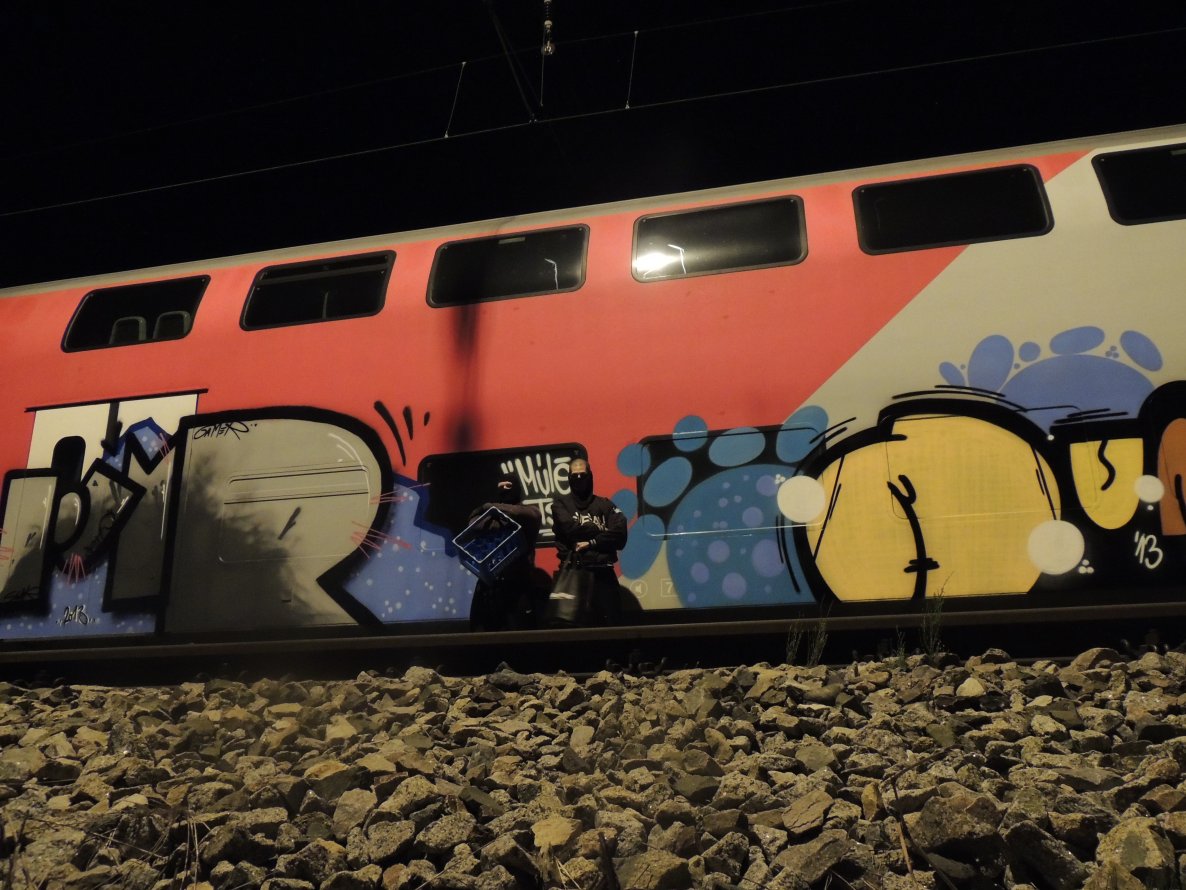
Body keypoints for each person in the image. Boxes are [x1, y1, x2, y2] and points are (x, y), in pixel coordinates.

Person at [551, 458, 628, 624]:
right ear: (569, 478)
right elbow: (569, 530)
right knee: (574, 628)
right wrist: (601, 531)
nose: (579, 479)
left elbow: (620, 535)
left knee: (612, 627)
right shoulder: (559, 505)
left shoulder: (605, 504)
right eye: (575, 476)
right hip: (574, 574)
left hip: (604, 575)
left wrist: (592, 542)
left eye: (583, 475)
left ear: (590, 476)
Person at [467, 472, 543, 631]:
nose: (504, 489)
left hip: (518, 582)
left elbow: (527, 514)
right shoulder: (492, 517)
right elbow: (473, 523)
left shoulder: (529, 512)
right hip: (492, 584)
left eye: (508, 486)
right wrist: (491, 513)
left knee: (519, 630)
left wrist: (489, 507)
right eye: (501, 486)